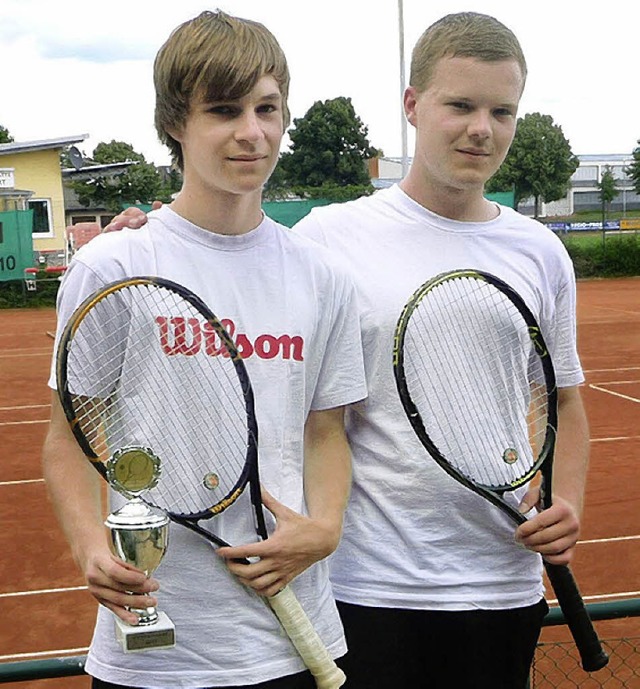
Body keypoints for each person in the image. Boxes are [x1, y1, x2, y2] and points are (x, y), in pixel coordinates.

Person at [103, 11, 590, 689]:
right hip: (367, 585)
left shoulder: (542, 251)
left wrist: (568, 497)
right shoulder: (330, 241)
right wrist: (141, 229)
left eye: (501, 110)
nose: (481, 127)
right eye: (460, 104)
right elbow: (228, 249)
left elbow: (562, 396)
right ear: (414, 107)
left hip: (504, 582)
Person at [43, 10, 366, 689]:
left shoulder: (323, 275)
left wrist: (327, 526)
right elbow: (71, 433)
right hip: (156, 652)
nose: (253, 132)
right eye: (224, 110)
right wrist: (88, 545)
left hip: (291, 636)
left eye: (268, 108)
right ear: (174, 123)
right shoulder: (113, 266)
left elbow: (326, 429)